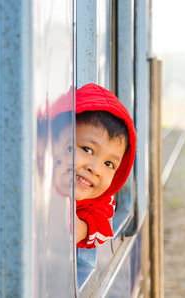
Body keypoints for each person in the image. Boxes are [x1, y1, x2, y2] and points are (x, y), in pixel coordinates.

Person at [74, 83, 137, 249]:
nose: (95, 169)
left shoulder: (99, 203)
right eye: (87, 149)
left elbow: (100, 226)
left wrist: (80, 229)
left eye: (109, 164)